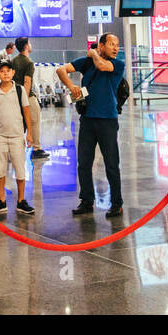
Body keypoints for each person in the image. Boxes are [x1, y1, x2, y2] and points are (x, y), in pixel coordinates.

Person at [56, 33, 126, 219]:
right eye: (111, 44)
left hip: (108, 120)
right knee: (84, 163)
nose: (115, 48)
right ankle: (86, 200)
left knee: (111, 163)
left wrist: (93, 53)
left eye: (117, 44)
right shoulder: (85, 63)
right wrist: (72, 87)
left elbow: (102, 65)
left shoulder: (117, 64)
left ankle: (116, 203)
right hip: (87, 119)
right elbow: (61, 70)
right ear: (102, 45)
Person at [0, 59, 34, 216]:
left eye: (8, 70)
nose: (5, 73)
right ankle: (1, 200)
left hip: (17, 136)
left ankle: (21, 201)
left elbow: (26, 111)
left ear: (13, 72)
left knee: (20, 169)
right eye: (2, 71)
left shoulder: (19, 90)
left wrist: (30, 134)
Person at [10, 36, 48, 159]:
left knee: (20, 125)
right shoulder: (28, 62)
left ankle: (14, 149)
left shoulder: (14, 60)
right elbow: (27, 82)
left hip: (15, 95)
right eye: (29, 43)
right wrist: (24, 101)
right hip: (27, 98)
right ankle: (36, 148)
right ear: (26, 46)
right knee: (34, 122)